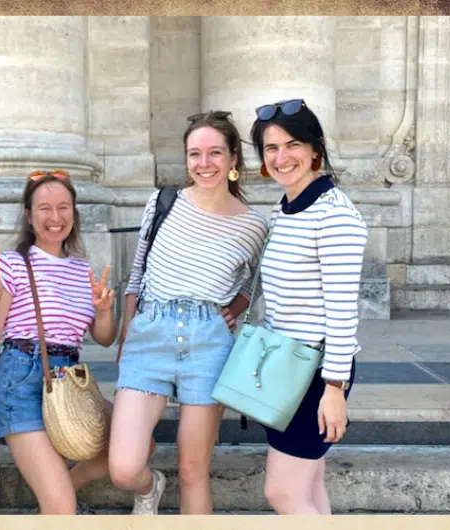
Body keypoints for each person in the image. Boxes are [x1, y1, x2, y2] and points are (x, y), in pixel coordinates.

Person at [107, 111, 269, 515]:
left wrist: (235, 308)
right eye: (195, 154)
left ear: (234, 159)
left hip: (209, 341)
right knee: (124, 469)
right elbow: (137, 272)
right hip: (150, 334)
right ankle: (150, 488)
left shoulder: (254, 226)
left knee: (194, 468)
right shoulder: (163, 202)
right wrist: (128, 334)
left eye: (215, 153)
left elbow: (258, 282)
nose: (204, 163)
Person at [0, 170, 118, 515]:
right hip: (21, 378)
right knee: (63, 509)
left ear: (74, 212)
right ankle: (58, 502)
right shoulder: (11, 265)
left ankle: (59, 494)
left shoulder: (83, 269)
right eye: (44, 208)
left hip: (70, 377)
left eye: (63, 207)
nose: (55, 218)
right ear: (28, 215)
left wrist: (105, 310)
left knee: (133, 446)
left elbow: (104, 337)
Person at [249, 98, 368, 514]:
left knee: (281, 493)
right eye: (271, 148)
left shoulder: (334, 216)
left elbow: (342, 312)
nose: (282, 157)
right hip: (286, 365)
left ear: (315, 148)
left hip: (317, 371)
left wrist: (334, 390)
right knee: (309, 487)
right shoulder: (285, 209)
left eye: (293, 144)